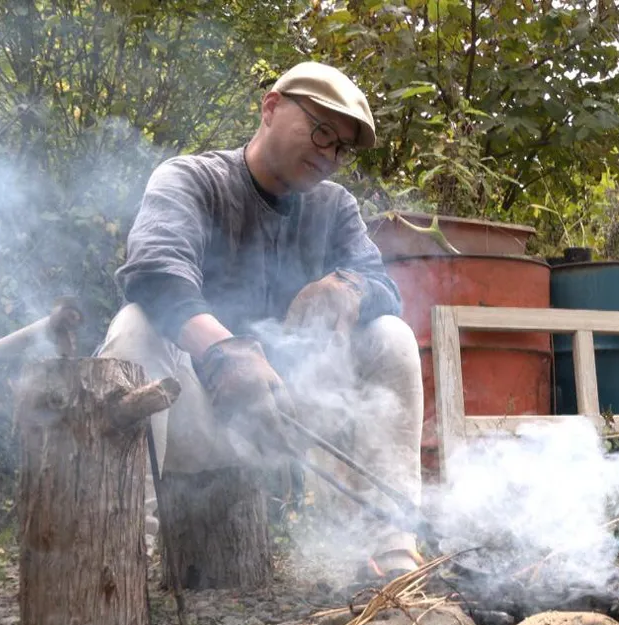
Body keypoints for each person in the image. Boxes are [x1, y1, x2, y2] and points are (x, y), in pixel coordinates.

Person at [97, 61, 425, 582]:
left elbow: (382, 286)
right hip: (195, 413)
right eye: (321, 131)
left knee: (392, 336)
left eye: (341, 147)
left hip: (292, 417)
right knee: (136, 327)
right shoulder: (193, 180)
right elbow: (154, 272)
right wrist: (226, 352)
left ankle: (392, 555)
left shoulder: (334, 206)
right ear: (271, 108)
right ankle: (114, 561)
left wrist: (348, 288)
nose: (329, 155)